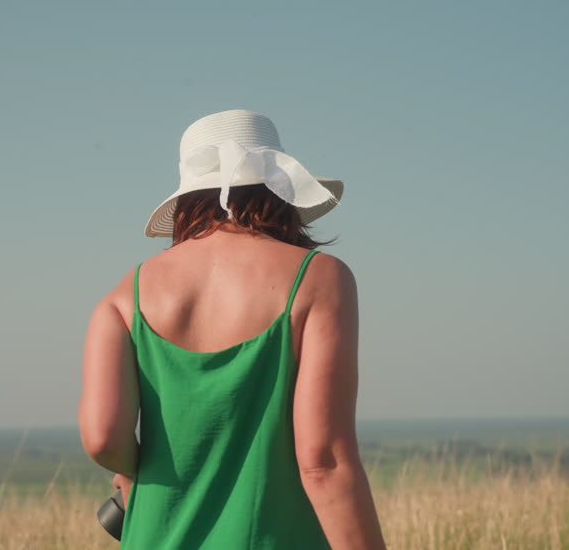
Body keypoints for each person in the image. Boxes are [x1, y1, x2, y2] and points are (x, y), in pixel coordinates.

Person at [79, 109, 388, 549]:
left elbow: (102, 438)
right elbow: (324, 462)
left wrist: (132, 470)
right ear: (282, 190)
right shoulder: (320, 280)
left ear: (186, 199)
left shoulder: (122, 297)